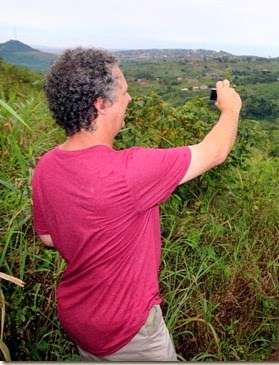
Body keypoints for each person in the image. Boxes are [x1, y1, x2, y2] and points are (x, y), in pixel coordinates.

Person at [31, 47, 242, 361]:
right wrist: (231, 108)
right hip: (127, 330)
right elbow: (215, 152)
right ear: (101, 104)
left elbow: (48, 237)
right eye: (125, 93)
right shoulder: (130, 171)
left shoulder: (46, 166)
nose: (129, 99)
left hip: (79, 319)